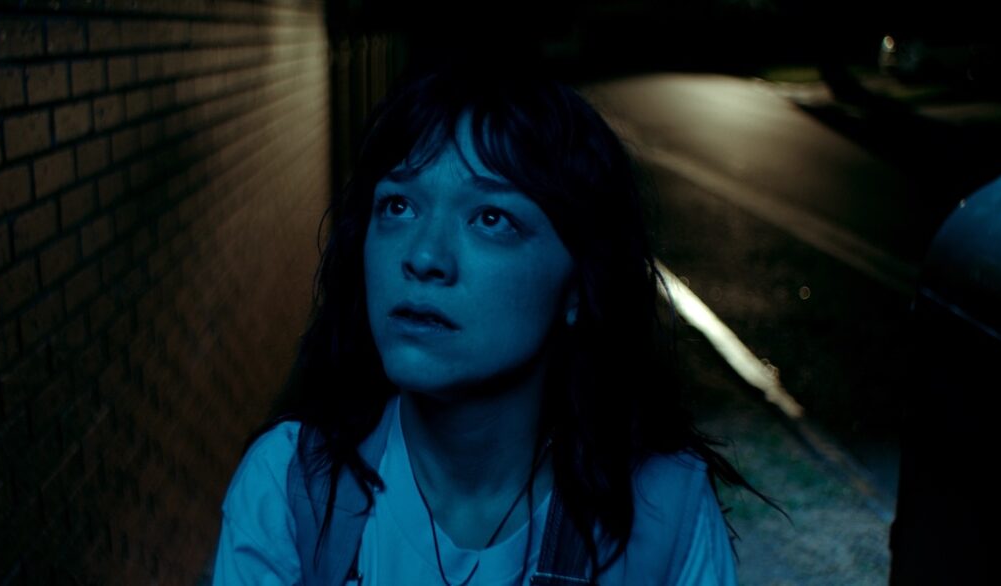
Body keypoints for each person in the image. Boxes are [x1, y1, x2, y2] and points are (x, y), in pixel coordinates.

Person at [213, 61, 758, 585]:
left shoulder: (664, 510)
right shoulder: (291, 489)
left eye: (491, 218)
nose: (424, 256)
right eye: (398, 206)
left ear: (577, 286)